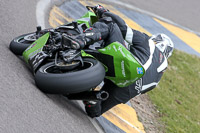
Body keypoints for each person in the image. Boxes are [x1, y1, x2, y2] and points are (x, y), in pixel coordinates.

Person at [69, 5, 174, 118]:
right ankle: (93, 98)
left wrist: (103, 11)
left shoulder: (147, 41)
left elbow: (123, 28)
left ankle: (81, 40)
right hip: (128, 88)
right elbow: (143, 90)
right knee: (96, 112)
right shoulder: (159, 75)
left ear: (156, 40)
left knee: (112, 25)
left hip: (125, 64)